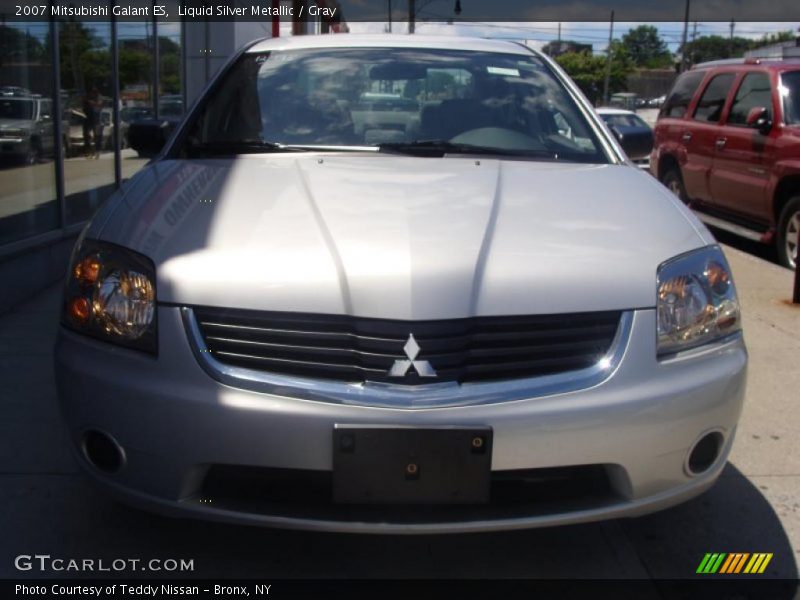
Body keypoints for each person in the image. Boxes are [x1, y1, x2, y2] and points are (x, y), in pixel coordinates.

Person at [82, 87, 103, 159]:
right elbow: (83, 108)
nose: (92, 94)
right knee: (86, 135)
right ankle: (89, 151)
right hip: (88, 119)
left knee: (97, 136)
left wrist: (93, 103)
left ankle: (97, 151)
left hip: (96, 120)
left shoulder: (99, 98)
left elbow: (99, 105)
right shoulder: (86, 100)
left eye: (93, 93)